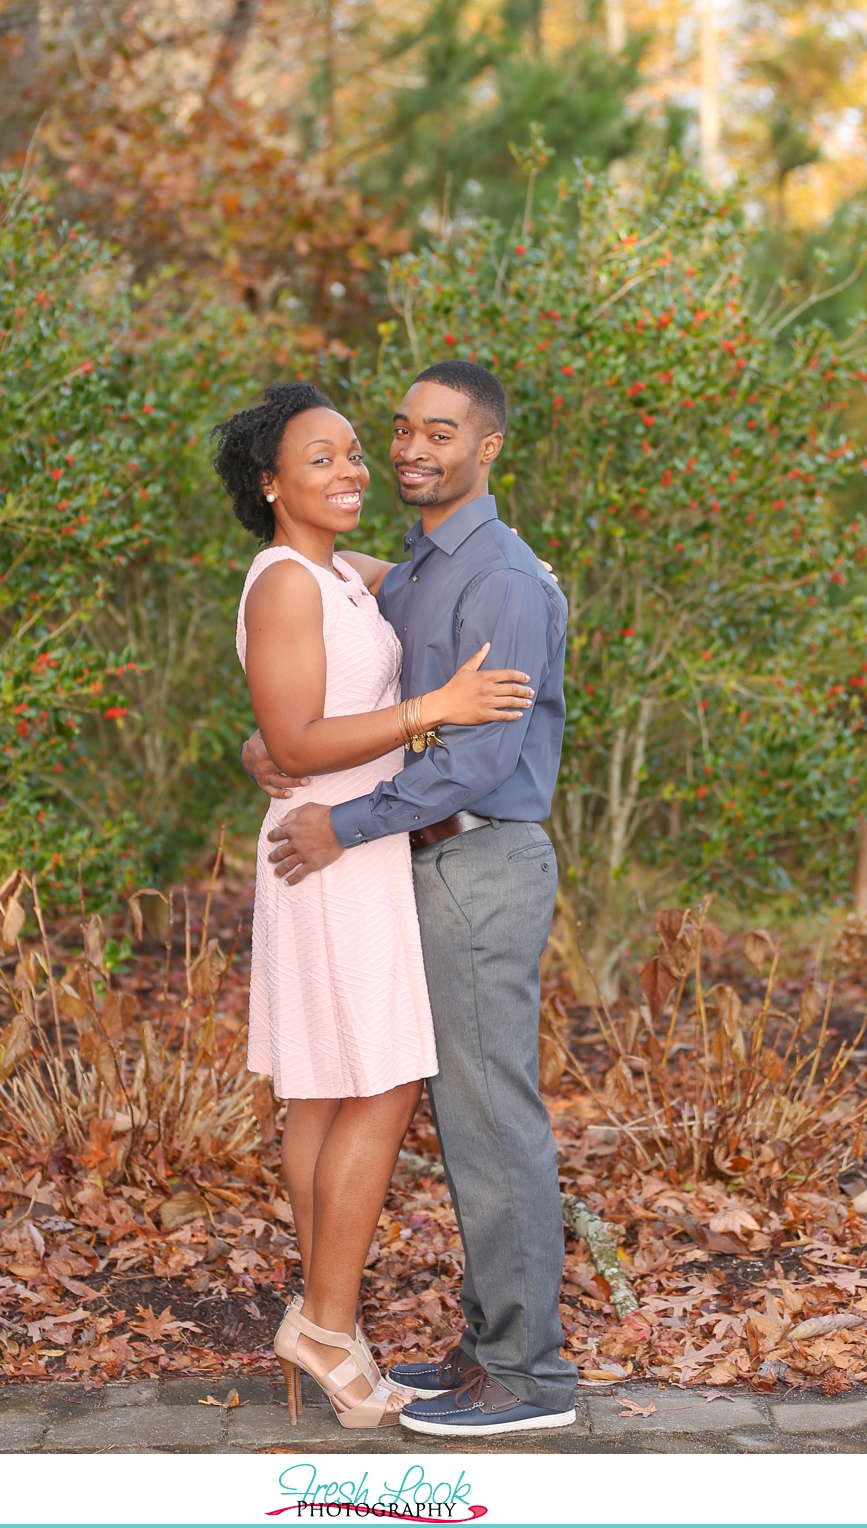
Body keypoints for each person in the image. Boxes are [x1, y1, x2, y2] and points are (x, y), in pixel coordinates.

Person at [243, 359, 579, 1439]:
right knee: (372, 1094)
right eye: (398, 430)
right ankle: (445, 1346)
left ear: (489, 450)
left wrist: (338, 814)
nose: (403, 450)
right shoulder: (408, 569)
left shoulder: (502, 581)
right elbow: (314, 672)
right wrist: (272, 743)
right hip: (397, 860)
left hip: (464, 858)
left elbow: (477, 760)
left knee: (474, 1114)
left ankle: (525, 1377)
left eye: (441, 432)